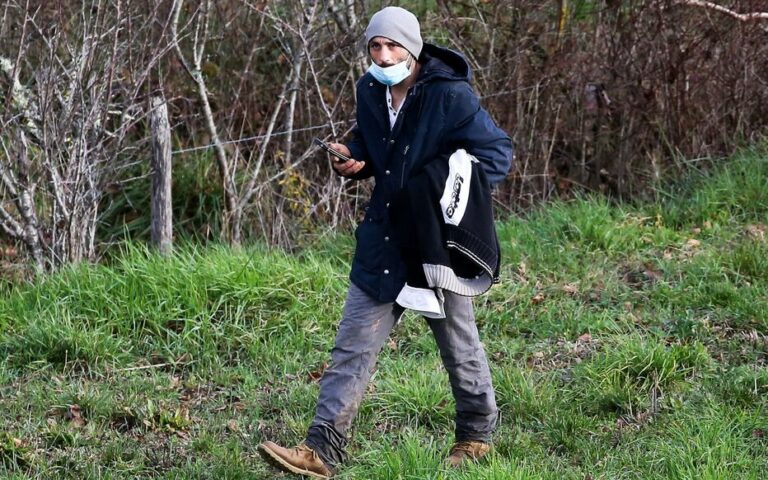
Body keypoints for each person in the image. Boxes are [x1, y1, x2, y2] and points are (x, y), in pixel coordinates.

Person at [258, 6, 513, 479]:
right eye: (375, 45)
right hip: (385, 236)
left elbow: (496, 155)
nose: (383, 53)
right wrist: (354, 157)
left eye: (392, 45)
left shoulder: (450, 97)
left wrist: (442, 191)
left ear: (412, 48)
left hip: (436, 243)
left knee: (459, 344)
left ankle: (475, 436)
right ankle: (320, 451)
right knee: (352, 346)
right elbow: (377, 147)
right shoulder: (370, 89)